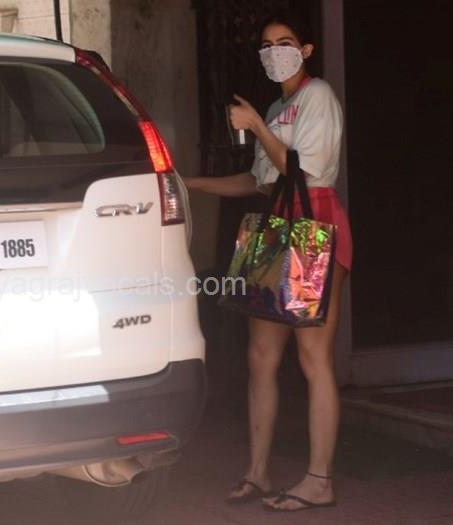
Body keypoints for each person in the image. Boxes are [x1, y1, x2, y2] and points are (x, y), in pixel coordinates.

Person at [184, 9, 352, 512]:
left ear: (305, 50)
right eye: (267, 45)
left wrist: (256, 124)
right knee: (260, 357)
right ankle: (257, 472)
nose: (275, 52)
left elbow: (298, 171)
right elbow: (259, 182)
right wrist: (189, 183)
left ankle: (319, 480)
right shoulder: (279, 107)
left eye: (285, 43)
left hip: (311, 226)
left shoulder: (317, 97)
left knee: (313, 358)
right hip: (275, 227)